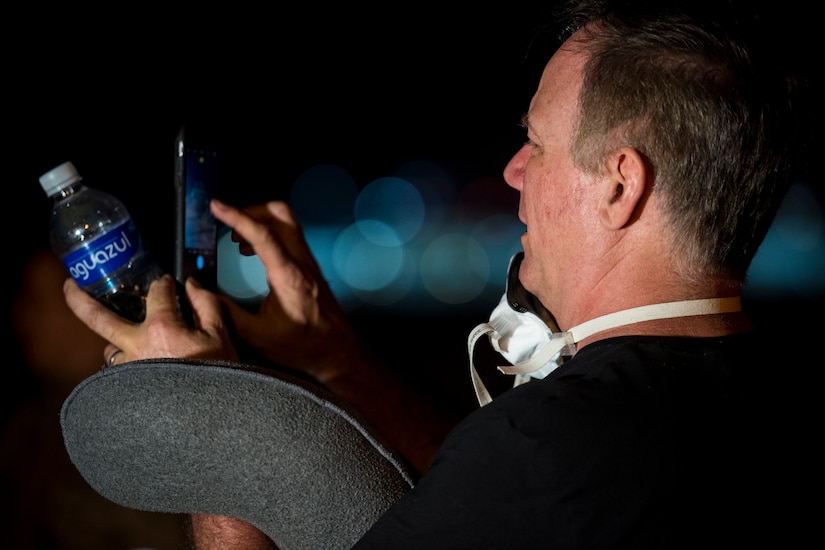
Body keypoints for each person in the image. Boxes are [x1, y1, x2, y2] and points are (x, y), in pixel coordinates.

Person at [63, 0, 806, 547]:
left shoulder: (547, 452)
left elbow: (523, 476)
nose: (513, 170)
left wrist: (204, 416)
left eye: (536, 144)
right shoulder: (758, 400)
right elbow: (482, 496)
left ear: (619, 185)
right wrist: (336, 358)